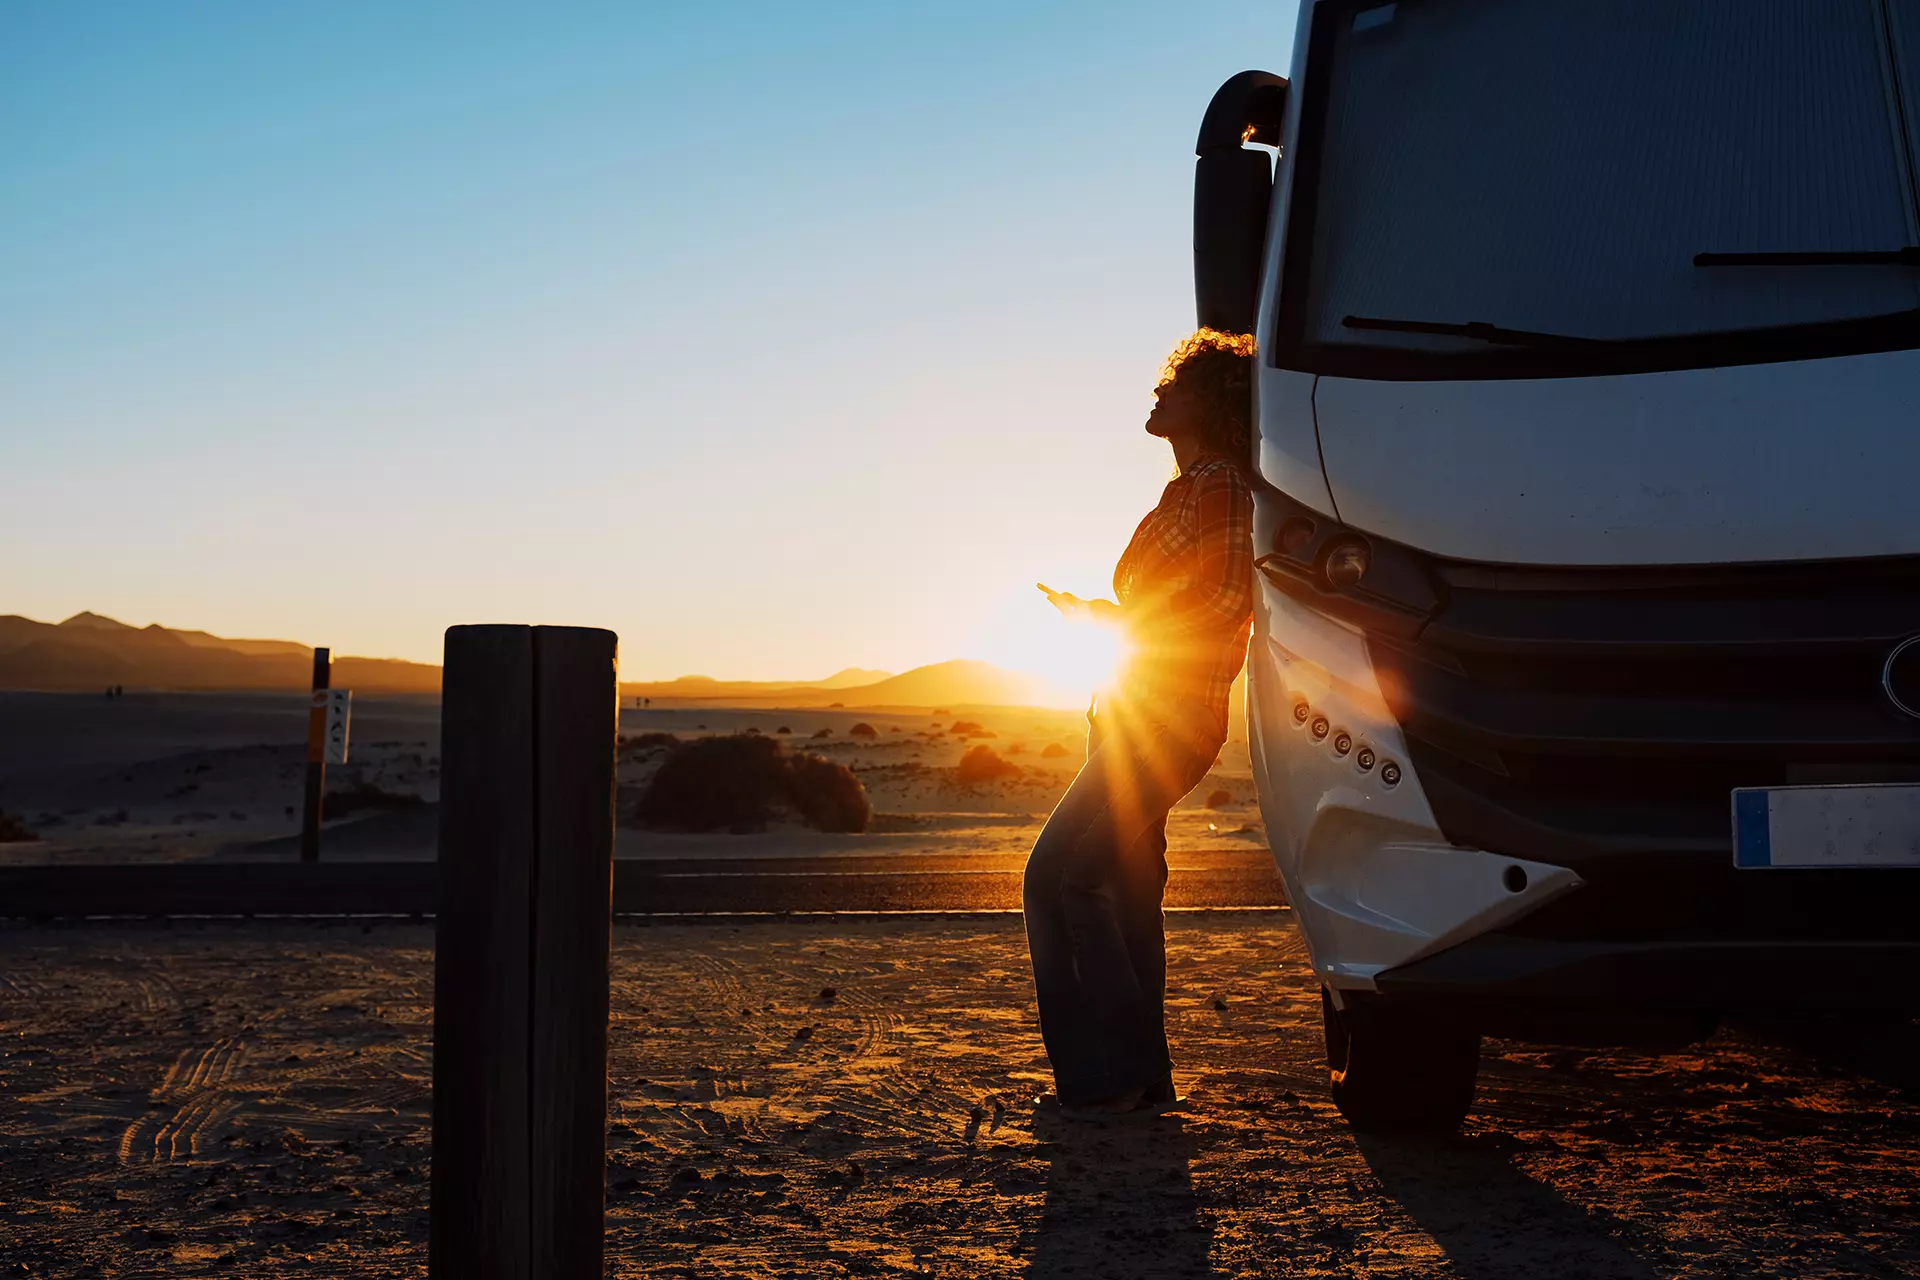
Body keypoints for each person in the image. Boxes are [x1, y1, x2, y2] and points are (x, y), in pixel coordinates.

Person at [1025, 329, 1257, 1117]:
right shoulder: (1186, 491)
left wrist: (1117, 619)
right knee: (1125, 896)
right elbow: (1170, 609)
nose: (1160, 391)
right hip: (1129, 711)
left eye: (1178, 382)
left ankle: (1106, 1079)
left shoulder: (1221, 482)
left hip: (1167, 719)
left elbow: (1227, 601)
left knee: (1058, 878)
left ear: (1214, 403)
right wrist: (1100, 617)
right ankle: (1144, 1081)